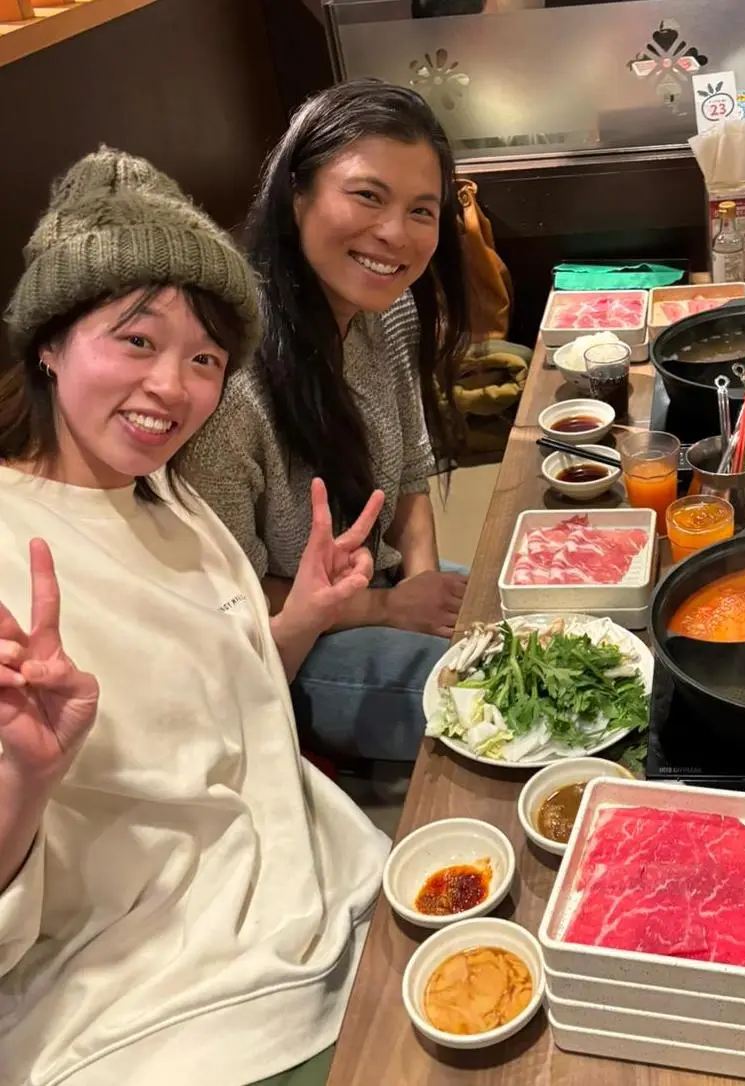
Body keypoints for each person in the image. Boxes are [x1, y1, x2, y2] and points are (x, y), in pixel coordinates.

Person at [0, 147, 389, 1085]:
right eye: (137, 341)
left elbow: (233, 720)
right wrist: (24, 776)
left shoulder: (164, 497)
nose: (174, 388)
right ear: (49, 342)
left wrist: (295, 621)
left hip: (322, 899)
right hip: (164, 1011)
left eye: (204, 358)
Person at [180, 79, 471, 764]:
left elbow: (409, 477)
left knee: (541, 617)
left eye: (421, 210)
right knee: (492, 702)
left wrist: (421, 587)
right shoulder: (228, 384)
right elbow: (231, 596)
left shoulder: (389, 313)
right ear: (297, 192)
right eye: (367, 195)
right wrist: (392, 612)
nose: (394, 233)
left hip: (380, 587)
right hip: (289, 639)